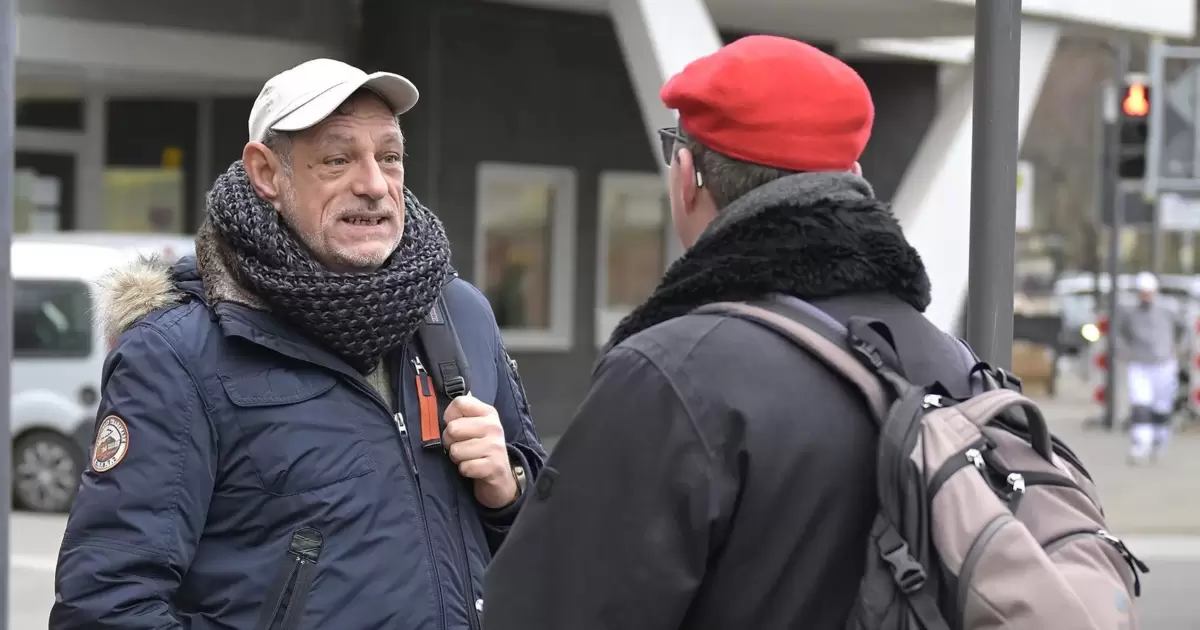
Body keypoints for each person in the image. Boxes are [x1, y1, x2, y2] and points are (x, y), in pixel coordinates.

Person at [482, 35, 983, 630]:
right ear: (852, 178)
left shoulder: (670, 376)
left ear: (687, 176)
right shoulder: (952, 363)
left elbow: (555, 609)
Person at [52, 58, 547, 629]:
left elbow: (552, 549)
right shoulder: (177, 355)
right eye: (338, 160)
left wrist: (508, 490)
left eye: (389, 157)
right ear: (267, 173)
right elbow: (104, 608)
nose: (374, 185)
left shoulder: (460, 314)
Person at [1120, 271, 1183, 464]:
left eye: (1148, 292)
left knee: (1161, 406)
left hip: (1164, 364)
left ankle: (1160, 440)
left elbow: (1183, 328)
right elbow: (1121, 333)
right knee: (1140, 403)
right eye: (1142, 293)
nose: (1145, 296)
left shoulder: (1168, 309)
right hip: (1140, 364)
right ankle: (1141, 444)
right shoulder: (1129, 312)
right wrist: (1127, 351)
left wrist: (1178, 348)